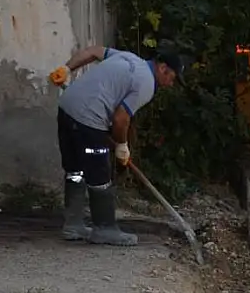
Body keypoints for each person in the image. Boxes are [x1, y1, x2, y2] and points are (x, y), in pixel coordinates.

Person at [49, 45, 182, 245]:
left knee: (75, 170)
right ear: (163, 68)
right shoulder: (146, 83)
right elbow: (121, 119)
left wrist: (67, 69)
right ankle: (104, 228)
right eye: (172, 78)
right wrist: (122, 146)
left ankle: (73, 224)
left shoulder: (128, 57)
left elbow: (93, 51)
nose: (170, 84)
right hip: (89, 120)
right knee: (100, 173)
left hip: (67, 108)